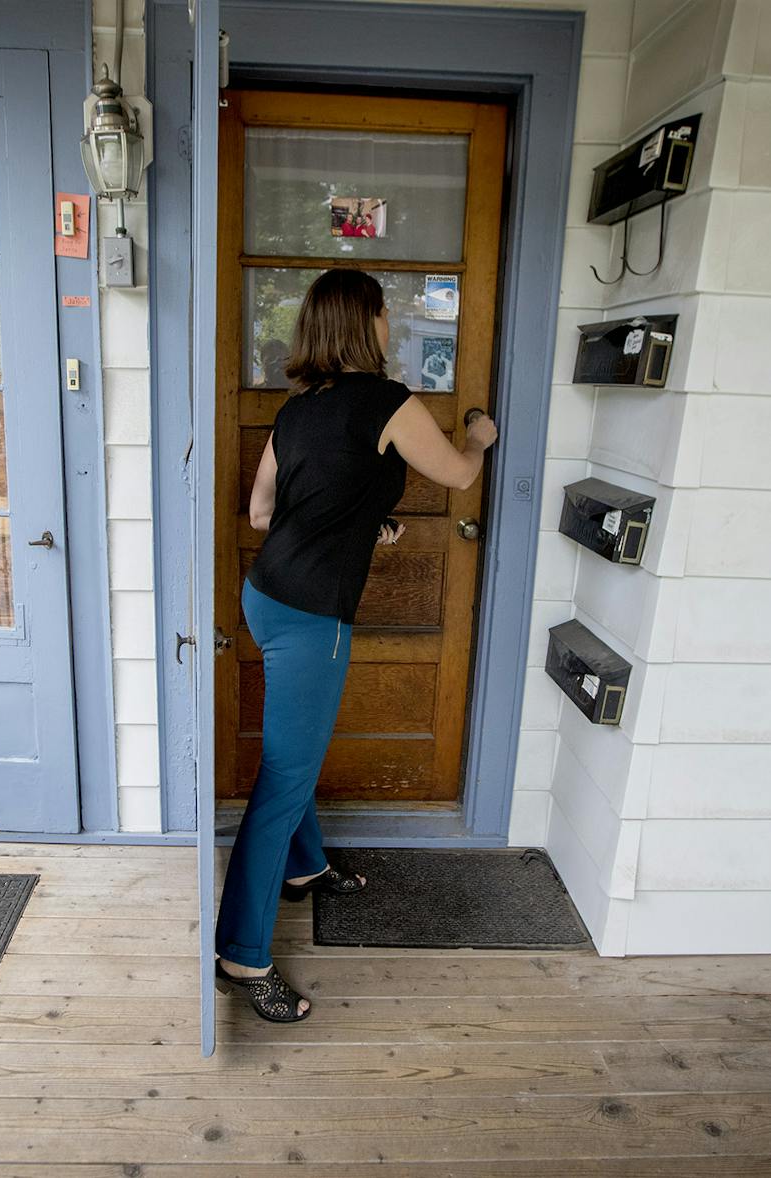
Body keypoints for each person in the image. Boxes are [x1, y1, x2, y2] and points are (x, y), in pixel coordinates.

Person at [213, 268, 499, 1022]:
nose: (389, 322)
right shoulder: (389, 403)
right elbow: (461, 477)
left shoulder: (298, 408)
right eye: (384, 312)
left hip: (264, 596)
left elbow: (260, 512)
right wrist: (478, 435)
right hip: (311, 619)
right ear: (363, 322)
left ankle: (303, 871)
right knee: (283, 777)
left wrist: (358, 521)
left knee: (290, 753)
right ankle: (241, 956)